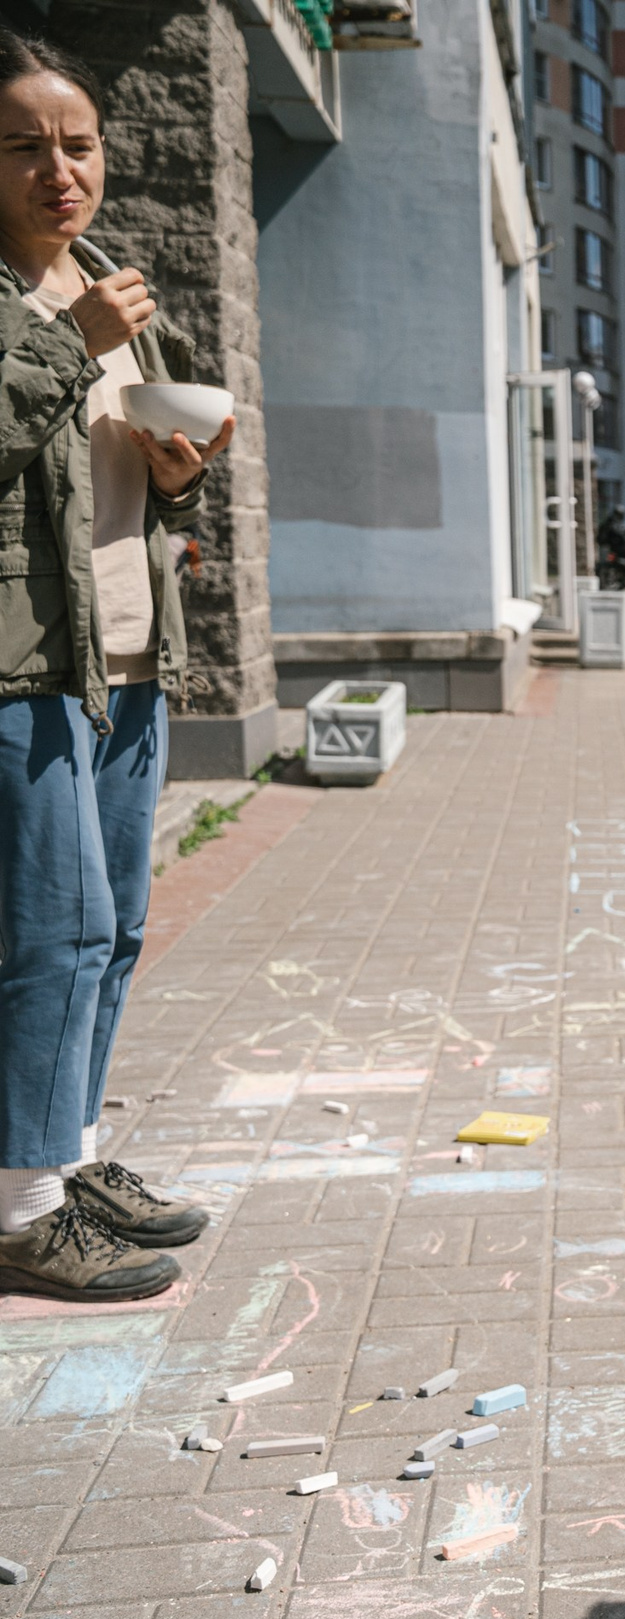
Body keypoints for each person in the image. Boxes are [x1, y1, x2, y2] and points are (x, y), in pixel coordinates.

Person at [0, 32, 228, 1300]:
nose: (57, 169)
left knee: (116, 931)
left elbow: (110, 474)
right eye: (25, 146)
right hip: (23, 665)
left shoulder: (106, 286)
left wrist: (179, 485)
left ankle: (67, 1161)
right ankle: (22, 1211)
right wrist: (68, 343)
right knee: (51, 933)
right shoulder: (55, 307)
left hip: (129, 656)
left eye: (76, 145)